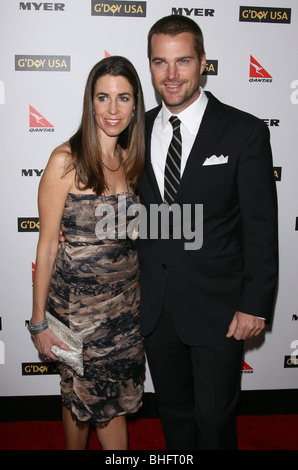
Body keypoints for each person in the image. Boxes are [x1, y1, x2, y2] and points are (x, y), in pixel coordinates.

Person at [137, 15, 278, 450]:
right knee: (175, 414)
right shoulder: (133, 131)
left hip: (219, 308)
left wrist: (254, 304)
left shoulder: (243, 131)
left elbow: (260, 228)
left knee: (214, 418)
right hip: (156, 306)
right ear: (151, 66)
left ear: (203, 63)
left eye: (183, 61)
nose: (172, 75)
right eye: (161, 63)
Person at [28, 56, 146, 450]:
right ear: (90, 102)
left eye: (123, 98)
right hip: (79, 313)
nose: (113, 110)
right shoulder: (65, 161)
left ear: (135, 104)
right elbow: (46, 247)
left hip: (125, 311)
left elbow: (130, 236)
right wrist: (38, 322)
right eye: (103, 97)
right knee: (81, 400)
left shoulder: (130, 161)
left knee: (112, 403)